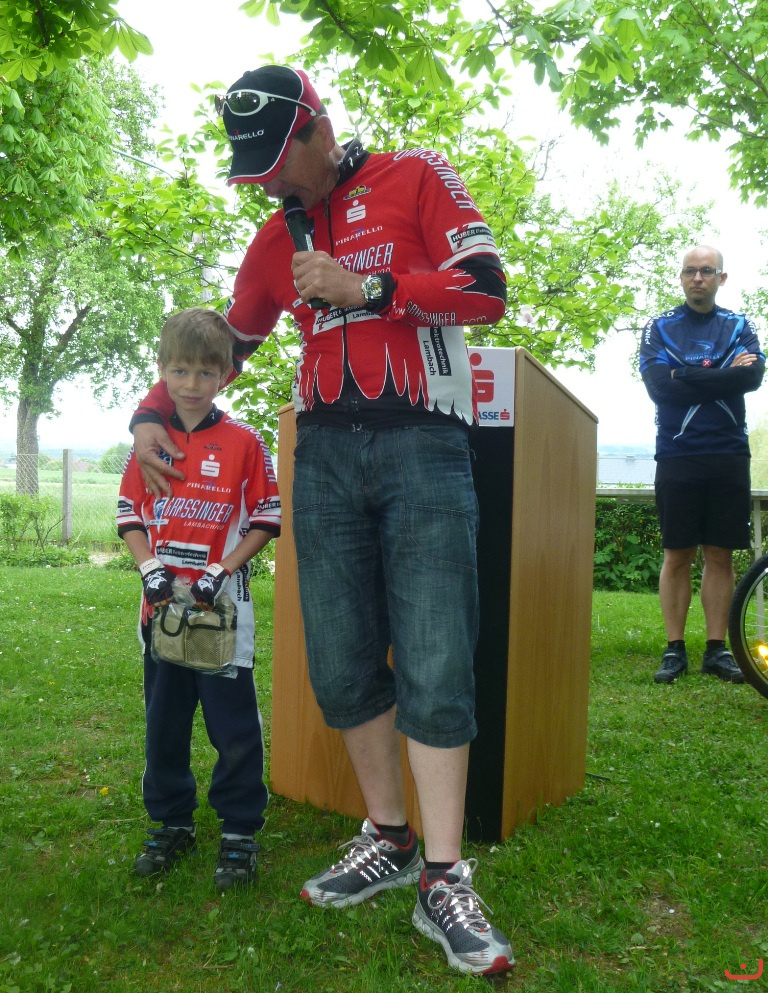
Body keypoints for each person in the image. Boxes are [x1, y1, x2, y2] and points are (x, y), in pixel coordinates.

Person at [129, 65, 513, 976]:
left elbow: (487, 288)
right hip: (325, 453)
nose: (265, 181)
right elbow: (222, 345)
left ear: (317, 127)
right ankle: (388, 836)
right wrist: (150, 410)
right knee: (339, 659)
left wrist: (368, 288)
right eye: (253, 167)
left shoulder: (416, 174)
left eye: (275, 160)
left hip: (424, 441)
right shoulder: (272, 237)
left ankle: (445, 874)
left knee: (435, 654)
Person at [117, 307, 281, 891]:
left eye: (205, 372)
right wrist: (150, 568)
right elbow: (129, 514)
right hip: (161, 612)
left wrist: (220, 569)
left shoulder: (245, 442)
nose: (191, 384)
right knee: (163, 723)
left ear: (225, 374)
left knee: (232, 728)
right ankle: (172, 823)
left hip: (222, 614)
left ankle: (239, 831)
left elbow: (266, 517)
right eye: (180, 371)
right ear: (162, 370)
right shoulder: (149, 442)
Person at [639, 245, 764, 685]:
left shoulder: (739, 324)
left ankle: (716, 649)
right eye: (690, 271)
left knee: (720, 554)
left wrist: (686, 374)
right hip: (678, 453)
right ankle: (674, 649)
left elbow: (752, 376)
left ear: (721, 278)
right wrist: (725, 374)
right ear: (680, 277)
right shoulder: (659, 327)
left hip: (728, 452)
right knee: (677, 554)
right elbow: (659, 388)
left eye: (707, 271)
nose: (698, 278)